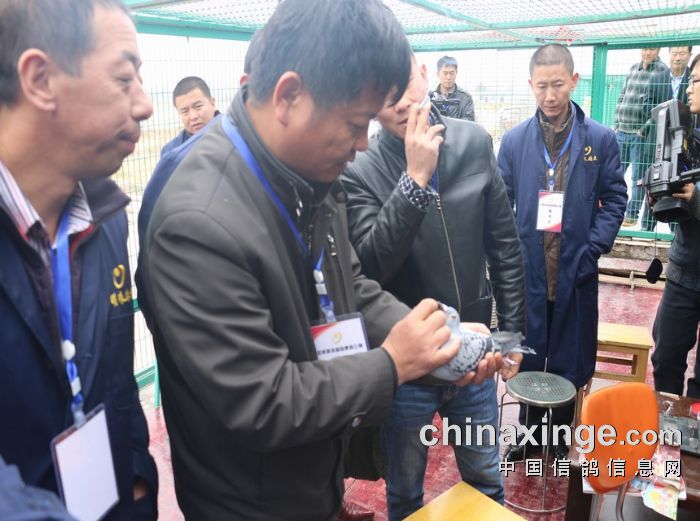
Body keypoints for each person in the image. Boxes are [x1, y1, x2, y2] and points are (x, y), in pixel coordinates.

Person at [136, 1, 501, 519]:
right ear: (289, 96)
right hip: (252, 503)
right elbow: (263, 401)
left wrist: (438, 339)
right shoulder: (197, 222)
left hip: (313, 472)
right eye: (354, 123)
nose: (361, 144)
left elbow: (349, 284)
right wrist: (393, 364)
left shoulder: (309, 174)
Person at [342, 56, 525, 520]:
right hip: (410, 365)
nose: (400, 101)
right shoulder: (359, 168)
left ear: (423, 73)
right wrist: (414, 179)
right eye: (384, 94)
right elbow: (371, 267)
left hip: (475, 355)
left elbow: (504, 245)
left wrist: (510, 333)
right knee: (404, 491)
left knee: (486, 478)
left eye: (404, 83)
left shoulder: (473, 142)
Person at [0, 0, 158, 520]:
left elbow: (116, 380)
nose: (145, 105)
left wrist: (139, 481)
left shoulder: (105, 217)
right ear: (40, 79)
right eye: (124, 79)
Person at [498, 44, 627, 460]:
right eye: (542, 86)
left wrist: (592, 248)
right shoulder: (515, 142)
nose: (550, 95)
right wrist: (510, 255)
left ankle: (557, 438)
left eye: (558, 85)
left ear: (574, 81)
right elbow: (500, 203)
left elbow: (616, 198)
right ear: (530, 85)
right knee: (531, 354)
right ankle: (530, 437)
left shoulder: (600, 140)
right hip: (530, 271)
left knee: (569, 358)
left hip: (575, 269)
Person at [651, 53, 700, 399]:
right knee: (666, 356)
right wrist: (660, 193)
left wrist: (696, 197)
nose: (690, 89)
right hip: (685, 271)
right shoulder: (686, 136)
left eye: (696, 82)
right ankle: (668, 419)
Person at [615, 48, 669, 227]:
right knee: (614, 174)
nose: (647, 53)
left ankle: (631, 214)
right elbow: (622, 95)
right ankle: (612, 210)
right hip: (621, 131)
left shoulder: (662, 71)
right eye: (645, 49)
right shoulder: (633, 68)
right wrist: (616, 123)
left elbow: (659, 104)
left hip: (639, 135)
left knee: (637, 178)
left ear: (658, 50)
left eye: (651, 49)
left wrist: (644, 129)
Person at [640, 46, 692, 231]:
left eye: (682, 54)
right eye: (674, 53)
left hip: (683, 140)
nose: (677, 58)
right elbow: (646, 106)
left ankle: (675, 231)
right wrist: (663, 114)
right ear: (669, 55)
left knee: (678, 185)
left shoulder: (692, 79)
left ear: (689, 55)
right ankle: (646, 227)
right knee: (655, 185)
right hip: (658, 140)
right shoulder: (657, 78)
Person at [159, 76, 219, 157]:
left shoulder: (232, 137)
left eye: (198, 106)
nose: (193, 116)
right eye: (185, 111)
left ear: (212, 103)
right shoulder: (171, 152)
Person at [428, 55, 475, 121]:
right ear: (438, 74)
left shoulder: (466, 98)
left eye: (451, 73)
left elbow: (469, 121)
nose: (448, 77)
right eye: (445, 73)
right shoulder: (429, 97)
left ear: (456, 73)